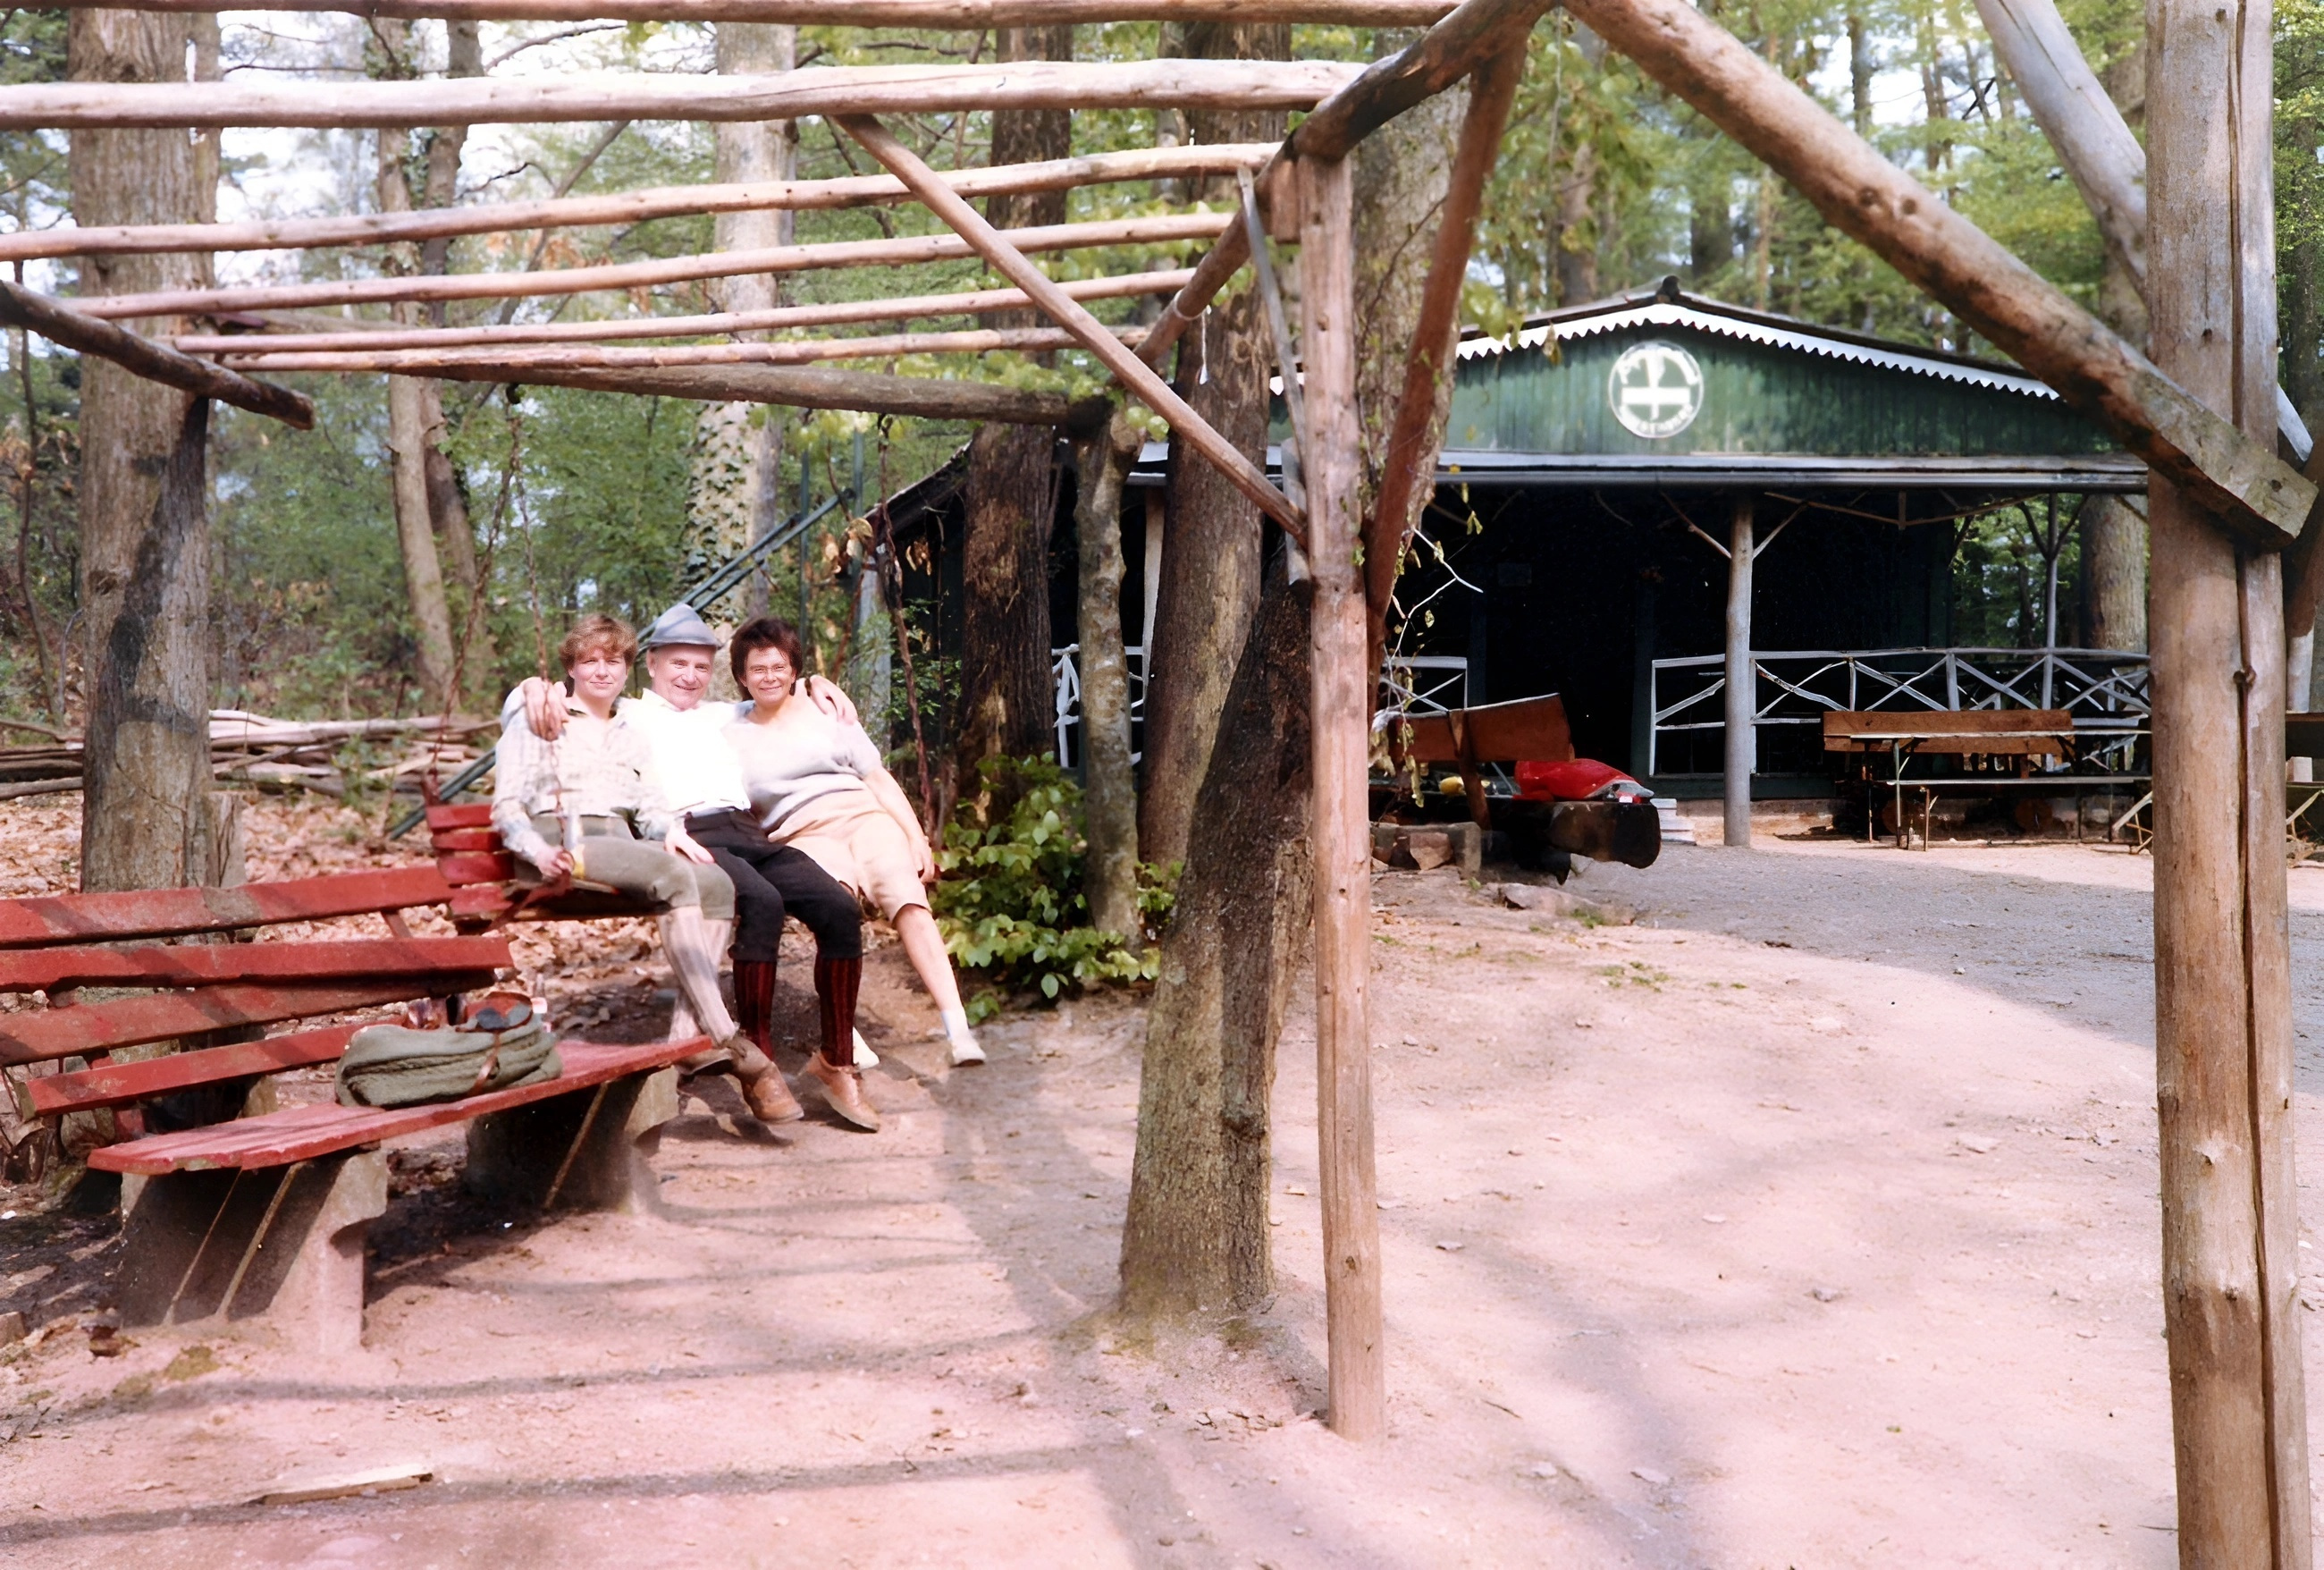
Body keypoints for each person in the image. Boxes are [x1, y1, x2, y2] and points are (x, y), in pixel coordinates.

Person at [512, 604, 878, 1130]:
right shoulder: (627, 712)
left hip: (749, 831)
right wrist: (531, 686)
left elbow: (775, 688)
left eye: (701, 667)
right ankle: (759, 1058)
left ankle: (837, 1062)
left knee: (839, 909)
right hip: (688, 834)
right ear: (653, 664)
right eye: (677, 664)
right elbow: (558, 699)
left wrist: (817, 681)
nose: (689, 677)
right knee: (761, 902)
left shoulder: (721, 713)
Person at [725, 616, 985, 1105]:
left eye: (779, 667)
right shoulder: (727, 728)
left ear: (795, 669)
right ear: (741, 675)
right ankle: (844, 1036)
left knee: (908, 901)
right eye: (757, 668)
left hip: (862, 814)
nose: (768, 677)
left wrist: (916, 837)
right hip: (799, 832)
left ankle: (958, 1031)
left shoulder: (827, 711)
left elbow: (878, 778)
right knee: (835, 911)